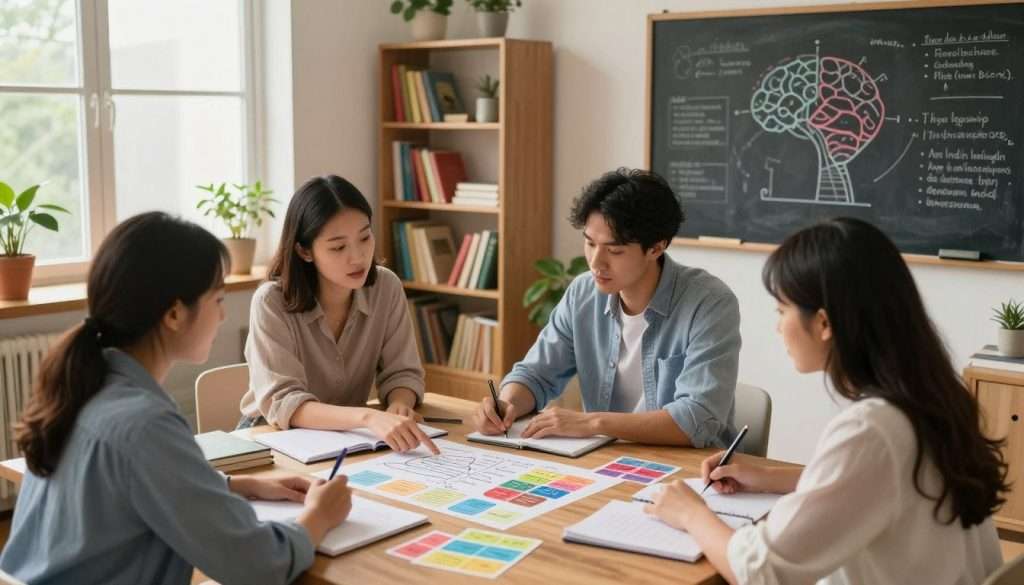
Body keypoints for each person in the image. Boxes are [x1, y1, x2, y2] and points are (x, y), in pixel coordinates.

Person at [647, 217, 1006, 585]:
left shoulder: (873, 429)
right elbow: (877, 486)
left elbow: (762, 571)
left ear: (823, 323)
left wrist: (691, 514)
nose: (777, 326)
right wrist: (772, 478)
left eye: (781, 311)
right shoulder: (929, 398)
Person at [0, 212, 352, 585]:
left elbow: (125, 488)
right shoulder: (144, 422)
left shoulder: (89, 385)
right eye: (217, 299)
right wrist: (317, 518)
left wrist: (232, 485)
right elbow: (258, 566)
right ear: (173, 314)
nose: (222, 314)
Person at [472, 168, 741, 447]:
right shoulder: (583, 292)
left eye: (614, 251)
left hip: (688, 469)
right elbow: (535, 374)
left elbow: (697, 418)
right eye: (590, 243)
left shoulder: (709, 303)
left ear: (656, 248)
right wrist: (506, 403)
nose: (596, 263)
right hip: (604, 461)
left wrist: (592, 423)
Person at [240, 175, 438, 454]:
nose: (358, 257)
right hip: (273, 440)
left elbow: (403, 373)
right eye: (338, 247)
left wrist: (399, 404)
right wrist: (369, 417)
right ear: (304, 251)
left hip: (347, 440)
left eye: (365, 237)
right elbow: (284, 403)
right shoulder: (271, 302)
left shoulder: (386, 287)